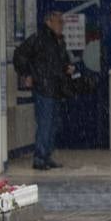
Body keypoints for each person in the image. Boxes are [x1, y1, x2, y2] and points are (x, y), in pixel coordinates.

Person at [13, 12, 73, 170]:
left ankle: (46, 155)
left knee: (53, 125)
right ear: (49, 22)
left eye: (62, 22)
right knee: (45, 124)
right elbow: (19, 55)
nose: (62, 25)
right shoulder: (39, 39)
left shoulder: (59, 41)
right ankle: (39, 157)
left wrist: (69, 67)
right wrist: (27, 74)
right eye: (58, 21)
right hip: (44, 88)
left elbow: (62, 61)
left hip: (56, 88)